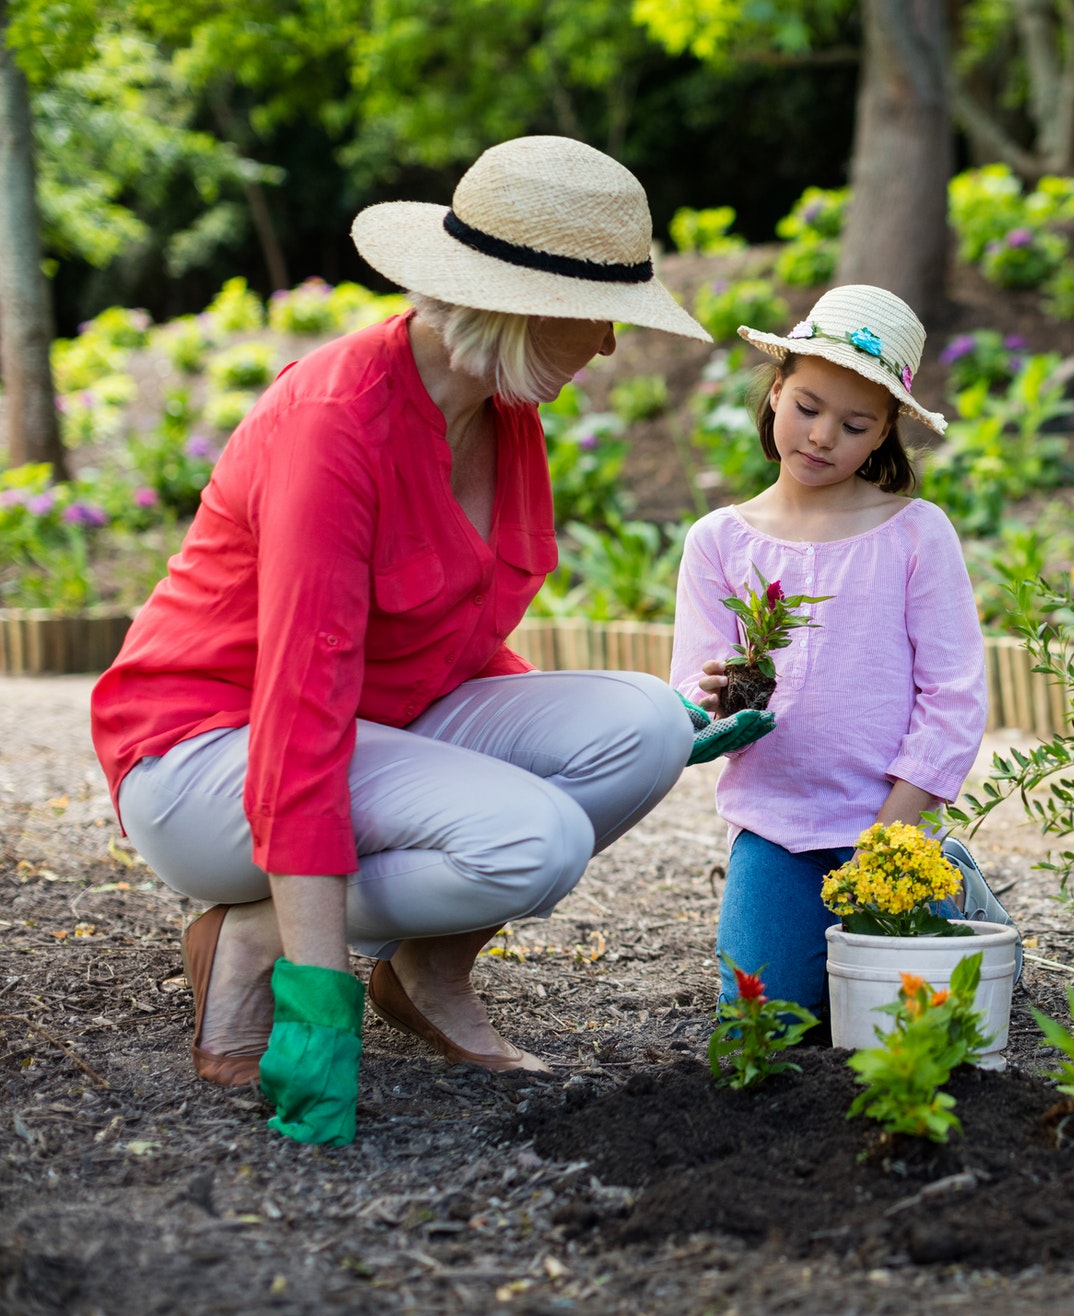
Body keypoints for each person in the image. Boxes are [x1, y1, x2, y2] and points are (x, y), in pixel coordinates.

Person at [90, 137, 770, 1146]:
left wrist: (646, 731)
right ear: (524, 306)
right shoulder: (335, 427)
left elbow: (448, 638)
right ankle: (256, 939)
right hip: (206, 756)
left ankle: (423, 973)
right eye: (600, 319)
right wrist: (318, 1003)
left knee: (640, 725)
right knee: (533, 841)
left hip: (363, 726)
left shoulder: (503, 416)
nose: (611, 348)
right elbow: (299, 712)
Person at [670, 286, 988, 1014]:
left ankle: (950, 876)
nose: (820, 437)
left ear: (882, 434)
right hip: (775, 826)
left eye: (853, 424)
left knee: (907, 1024)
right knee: (763, 1020)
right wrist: (709, 697)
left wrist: (895, 831)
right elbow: (693, 689)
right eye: (807, 407)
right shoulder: (720, 540)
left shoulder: (915, 533)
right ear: (776, 390)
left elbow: (955, 695)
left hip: (889, 820)